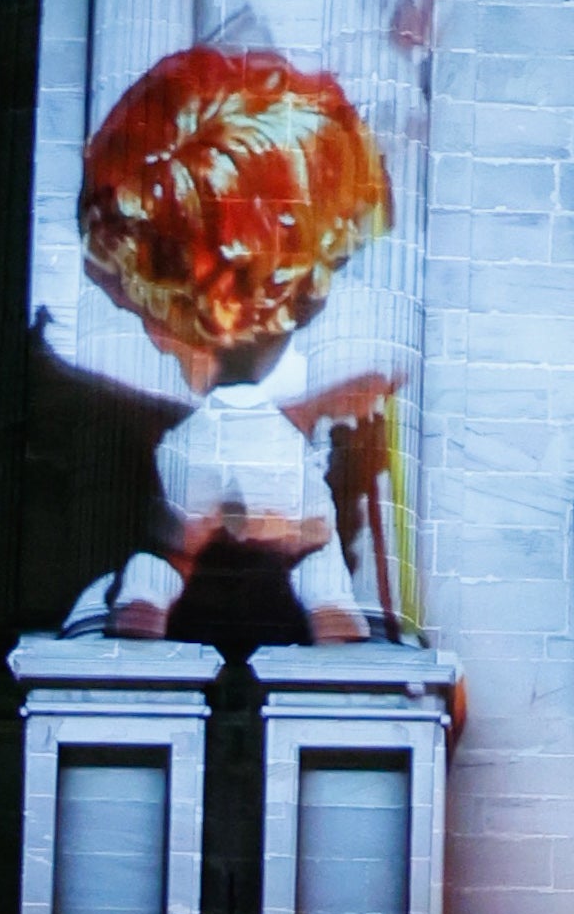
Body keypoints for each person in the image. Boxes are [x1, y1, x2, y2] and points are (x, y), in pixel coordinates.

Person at [59, 44, 395, 643]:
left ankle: (142, 603)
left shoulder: (185, 406)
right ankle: (335, 626)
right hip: (272, 464)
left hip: (202, 457)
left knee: (165, 556)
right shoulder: (309, 379)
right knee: (313, 557)